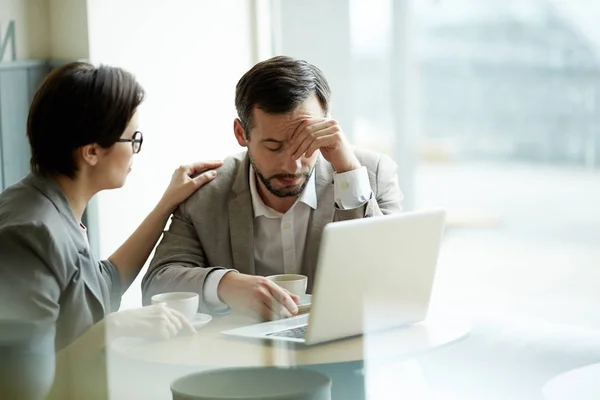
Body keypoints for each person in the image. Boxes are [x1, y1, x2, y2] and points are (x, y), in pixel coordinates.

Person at [0, 62, 222, 399]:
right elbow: (23, 383)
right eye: (132, 138)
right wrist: (113, 328)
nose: (136, 149)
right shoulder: (29, 233)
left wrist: (166, 205)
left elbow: (102, 284)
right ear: (91, 152)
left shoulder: (51, 206)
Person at [142, 55, 403, 321]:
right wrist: (225, 284)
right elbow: (157, 284)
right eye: (273, 146)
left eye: (306, 142)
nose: (292, 164)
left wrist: (348, 174)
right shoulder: (206, 190)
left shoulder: (371, 175)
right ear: (241, 134)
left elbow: (393, 281)